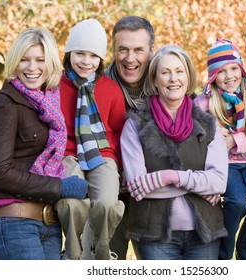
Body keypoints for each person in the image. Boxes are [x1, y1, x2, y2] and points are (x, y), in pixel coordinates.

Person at [0, 27, 88, 260]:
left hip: (48, 225)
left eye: (40, 60)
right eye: (24, 60)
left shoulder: (47, 104)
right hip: (14, 225)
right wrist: (60, 187)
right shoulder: (6, 105)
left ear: (50, 64)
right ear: (14, 63)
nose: (32, 68)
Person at [120, 44, 229, 260]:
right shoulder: (135, 125)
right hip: (153, 235)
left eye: (179, 71)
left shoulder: (208, 124)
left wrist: (168, 177)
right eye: (165, 72)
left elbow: (218, 182)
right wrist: (198, 186)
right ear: (154, 80)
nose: (173, 78)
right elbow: (137, 186)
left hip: (204, 234)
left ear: (188, 76)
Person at [55, 19, 126, 260]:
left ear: (101, 59)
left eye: (93, 56)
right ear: (68, 53)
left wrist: (118, 165)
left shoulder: (110, 88)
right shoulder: (54, 84)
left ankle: (100, 250)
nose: (86, 61)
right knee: (72, 202)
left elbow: (116, 130)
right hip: (66, 153)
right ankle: (73, 254)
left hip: (102, 153)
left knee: (106, 203)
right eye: (80, 54)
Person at [194, 39, 246, 260]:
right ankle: (223, 255)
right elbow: (199, 136)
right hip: (226, 165)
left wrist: (235, 141)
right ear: (214, 75)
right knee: (236, 203)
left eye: (234, 68)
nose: (230, 76)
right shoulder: (205, 102)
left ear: (242, 69)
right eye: (222, 71)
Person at [106, 16, 155, 260]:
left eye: (138, 50)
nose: (130, 58)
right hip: (110, 196)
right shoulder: (96, 89)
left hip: (154, 197)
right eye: (122, 49)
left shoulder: (169, 83)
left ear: (151, 51)